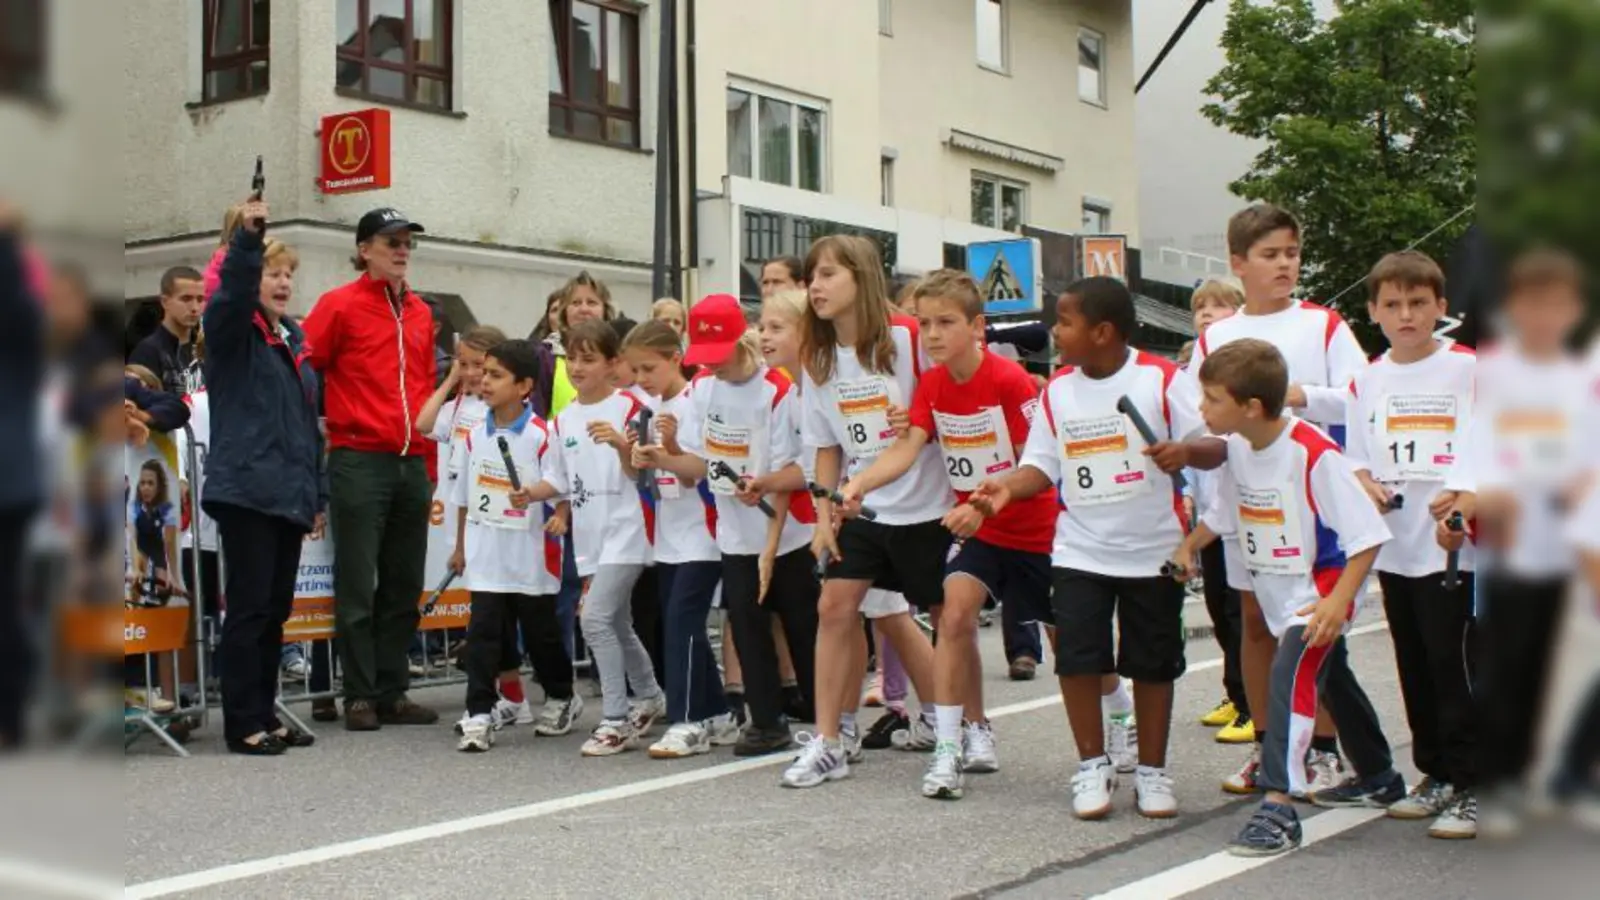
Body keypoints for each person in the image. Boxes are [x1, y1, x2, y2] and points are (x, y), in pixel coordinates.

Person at [971, 277, 1201, 818]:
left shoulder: (1162, 378)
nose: (1055, 331)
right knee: (1077, 659)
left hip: (1154, 551)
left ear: (1102, 332)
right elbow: (1041, 464)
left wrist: (1185, 450)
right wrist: (1006, 486)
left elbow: (1213, 445)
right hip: (1080, 550)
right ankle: (1091, 765)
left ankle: (1151, 769)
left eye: (1066, 322)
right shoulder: (1058, 390)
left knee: (1151, 665)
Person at [1170, 338, 1402, 856]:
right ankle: (1381, 775)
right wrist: (1188, 546)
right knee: (1332, 678)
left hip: (1319, 588)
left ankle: (1278, 805)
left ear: (1250, 407)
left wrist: (1336, 602)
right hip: (1278, 585)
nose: (1201, 409)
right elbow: (1225, 513)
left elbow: (1367, 537)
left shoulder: (1315, 453)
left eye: (1210, 399)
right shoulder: (1240, 448)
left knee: (1291, 674)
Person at [1168, 204, 1367, 795]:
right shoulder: (1216, 336)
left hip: (1307, 500)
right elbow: (1194, 416)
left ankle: (1325, 749)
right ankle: (1268, 745)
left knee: (1309, 626)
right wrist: (1184, 456)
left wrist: (1296, 395)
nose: (1285, 265)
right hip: (1244, 497)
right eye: (1270, 255)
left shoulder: (1323, 325)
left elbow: (1363, 398)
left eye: (1291, 253)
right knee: (1254, 624)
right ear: (1238, 264)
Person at [841, 270, 1056, 799]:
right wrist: (860, 483)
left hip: (1035, 528)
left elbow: (1038, 462)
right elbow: (909, 446)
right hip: (977, 530)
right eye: (924, 324)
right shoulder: (933, 383)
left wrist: (994, 496)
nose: (932, 335)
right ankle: (954, 742)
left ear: (977, 326)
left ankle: (1118, 717)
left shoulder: (1010, 380)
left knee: (1073, 646)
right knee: (954, 616)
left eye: (945, 323)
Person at [783, 235, 945, 789]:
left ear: (862, 277)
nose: (816, 287)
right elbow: (827, 446)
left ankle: (956, 728)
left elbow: (943, 408)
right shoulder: (816, 355)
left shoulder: (907, 338)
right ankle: (830, 740)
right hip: (864, 506)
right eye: (811, 277)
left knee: (949, 621)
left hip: (927, 504)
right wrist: (825, 516)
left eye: (828, 274)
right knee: (835, 606)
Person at [1341, 250, 1479, 838]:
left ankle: (1479, 781)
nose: (1405, 315)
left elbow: (1497, 440)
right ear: (1373, 311)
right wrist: (1365, 480)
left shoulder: (1472, 369)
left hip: (1457, 546)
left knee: (1459, 663)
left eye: (1418, 303)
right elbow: (1355, 455)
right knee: (1415, 661)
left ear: (1440, 308)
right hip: (1397, 546)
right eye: (1392, 304)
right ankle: (1437, 773)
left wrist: (1467, 493)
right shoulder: (1367, 378)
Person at [1451, 248, 1587, 837]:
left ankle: (1569, 778)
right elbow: (1474, 453)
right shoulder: (1495, 376)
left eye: (1556, 303)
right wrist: (1464, 499)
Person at [301, 207, 438, 731]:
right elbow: (304, 368)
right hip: (359, 457)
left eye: (407, 243)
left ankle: (392, 690)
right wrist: (323, 435)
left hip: (409, 461)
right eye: (391, 242)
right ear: (364, 249)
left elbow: (424, 387)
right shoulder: (339, 305)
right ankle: (358, 693)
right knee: (359, 581)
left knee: (404, 584)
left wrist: (427, 460)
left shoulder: (423, 312)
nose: (402, 250)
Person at [668, 294, 820, 756]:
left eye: (717, 355)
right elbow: (697, 461)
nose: (710, 366)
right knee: (747, 622)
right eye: (703, 357)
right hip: (733, 532)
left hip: (787, 530)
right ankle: (766, 721)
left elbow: (801, 467)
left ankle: (829, 713)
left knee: (802, 624)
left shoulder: (777, 390)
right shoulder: (700, 391)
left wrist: (765, 482)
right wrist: (668, 456)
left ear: (741, 340)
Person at [201, 198, 326, 755]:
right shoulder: (233, 331)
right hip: (247, 490)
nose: (282, 282)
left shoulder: (291, 340)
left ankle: (267, 712)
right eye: (273, 273)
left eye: (287, 275)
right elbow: (228, 294)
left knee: (276, 609)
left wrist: (315, 493)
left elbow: (305, 425)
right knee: (249, 609)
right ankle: (242, 722)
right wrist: (247, 245)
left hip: (285, 492)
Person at [449, 339, 582, 751]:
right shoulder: (473, 437)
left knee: (540, 634)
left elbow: (563, 483)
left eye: (495, 375)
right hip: (488, 551)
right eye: (483, 374)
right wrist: (459, 547)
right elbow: (465, 498)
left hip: (531, 555)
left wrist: (552, 507)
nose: (484, 382)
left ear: (524, 386)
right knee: (484, 631)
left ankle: (562, 694)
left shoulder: (543, 435)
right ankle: (479, 713)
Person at [543, 319, 666, 757]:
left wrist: (619, 444)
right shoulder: (562, 421)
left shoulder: (632, 409)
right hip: (592, 536)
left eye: (589, 358)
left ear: (614, 364)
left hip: (630, 529)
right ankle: (650, 695)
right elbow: (554, 481)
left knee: (593, 619)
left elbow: (643, 473)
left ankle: (614, 718)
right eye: (572, 357)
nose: (577, 366)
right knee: (616, 622)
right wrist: (523, 493)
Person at [623, 320, 743, 757]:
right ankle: (716, 713)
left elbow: (702, 471)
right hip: (670, 535)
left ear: (677, 358)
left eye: (648, 368)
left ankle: (686, 718)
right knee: (675, 621)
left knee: (682, 621)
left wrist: (668, 455)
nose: (641, 380)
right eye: (635, 371)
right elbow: (647, 475)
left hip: (704, 532)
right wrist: (636, 455)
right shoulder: (650, 410)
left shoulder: (697, 401)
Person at [1186, 276, 1253, 744]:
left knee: (1239, 611)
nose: (1207, 314)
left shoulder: (1248, 367)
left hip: (1244, 514)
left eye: (1219, 306)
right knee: (1217, 606)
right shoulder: (1193, 369)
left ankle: (1252, 701)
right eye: (1199, 308)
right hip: (1210, 508)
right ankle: (1234, 691)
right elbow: (1191, 432)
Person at [128, 266, 205, 396]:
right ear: (165, 302)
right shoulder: (148, 352)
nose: (195, 307)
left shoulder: (204, 347)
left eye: (200, 299)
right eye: (186, 299)